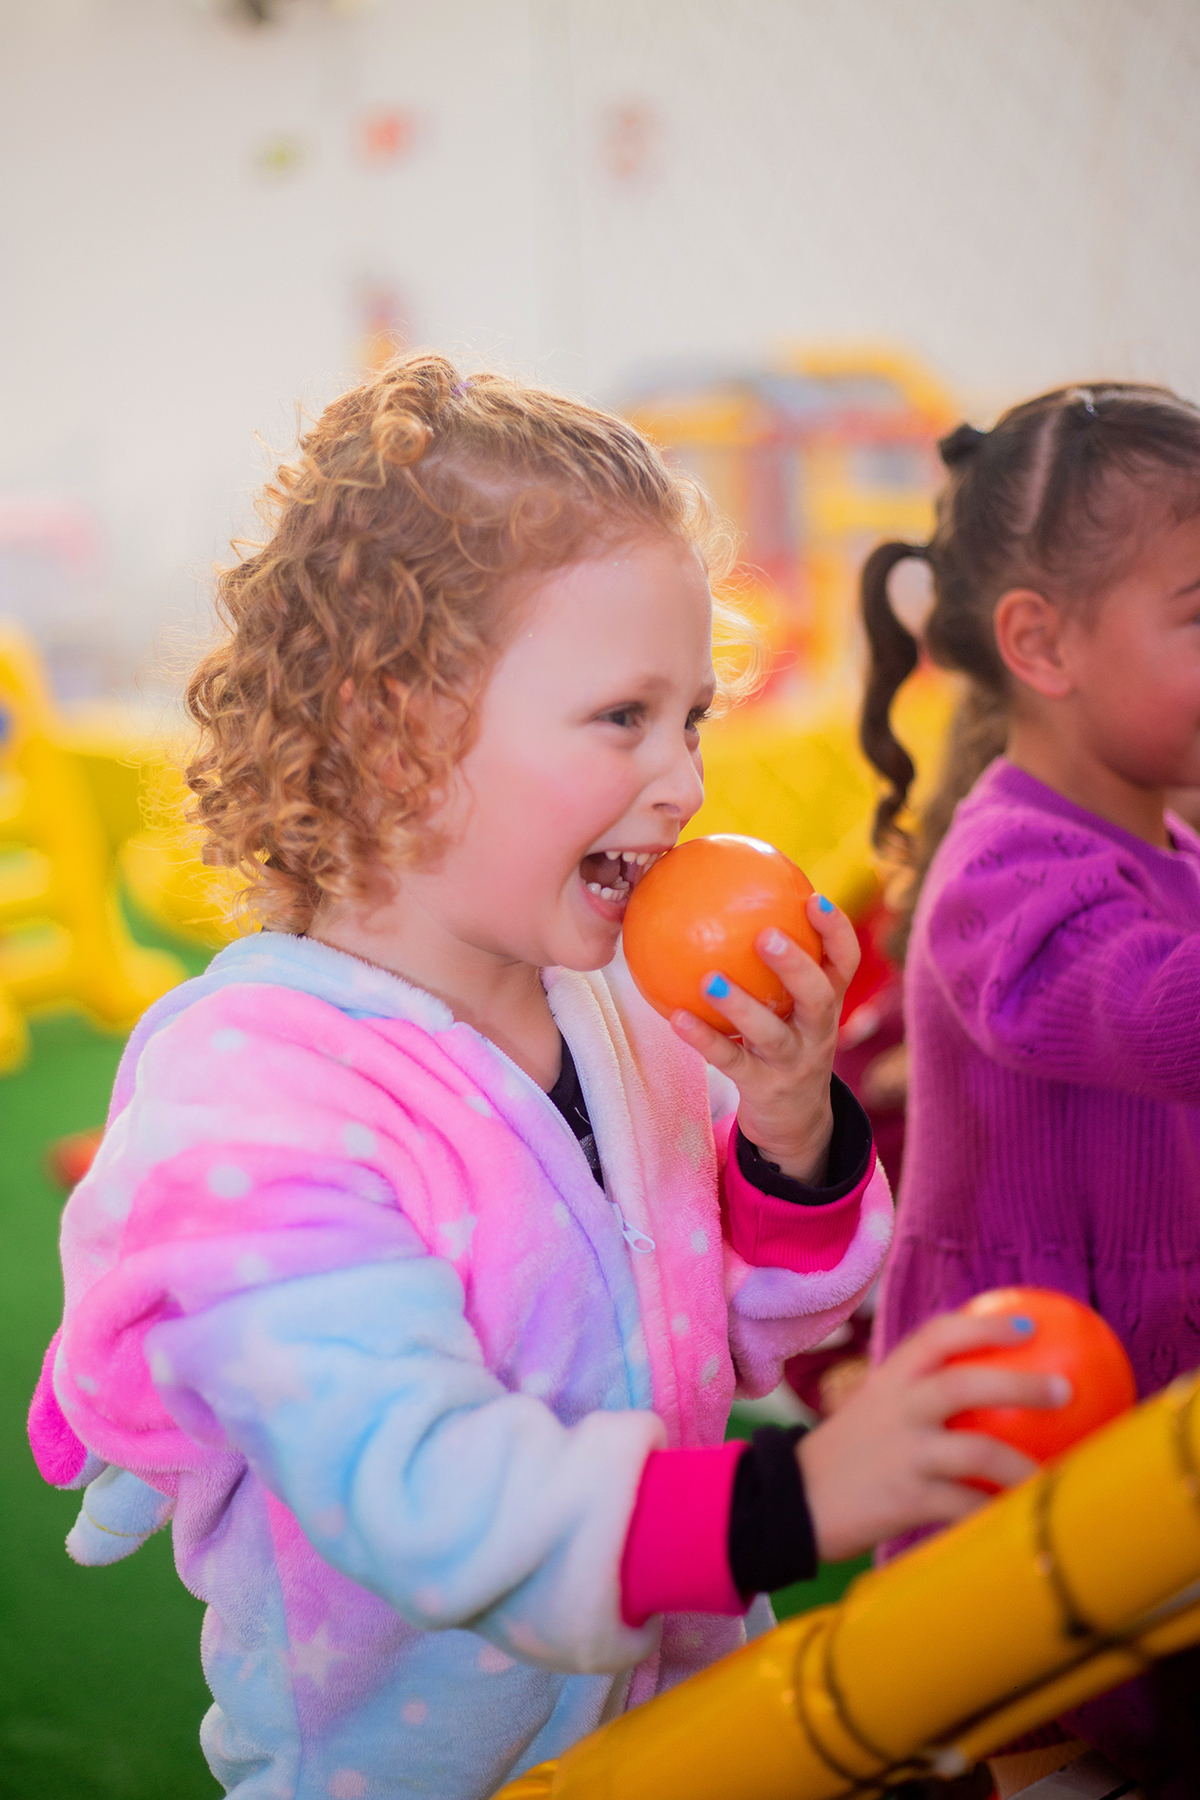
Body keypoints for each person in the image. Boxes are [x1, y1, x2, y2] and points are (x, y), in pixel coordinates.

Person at [30, 355, 1061, 1800]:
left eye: (693, 717)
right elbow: (434, 1499)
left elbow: (756, 1334)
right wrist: (808, 1493)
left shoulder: (618, 1014)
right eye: (624, 718)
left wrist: (788, 1124)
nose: (686, 784)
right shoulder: (249, 1103)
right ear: (398, 731)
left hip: (701, 1725)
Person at [859, 381, 1200, 1796]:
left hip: (1148, 1426)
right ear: (1041, 644)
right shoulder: (1005, 875)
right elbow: (1158, 1018)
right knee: (1062, 1744)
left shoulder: (1170, 845)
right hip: (1027, 1452)